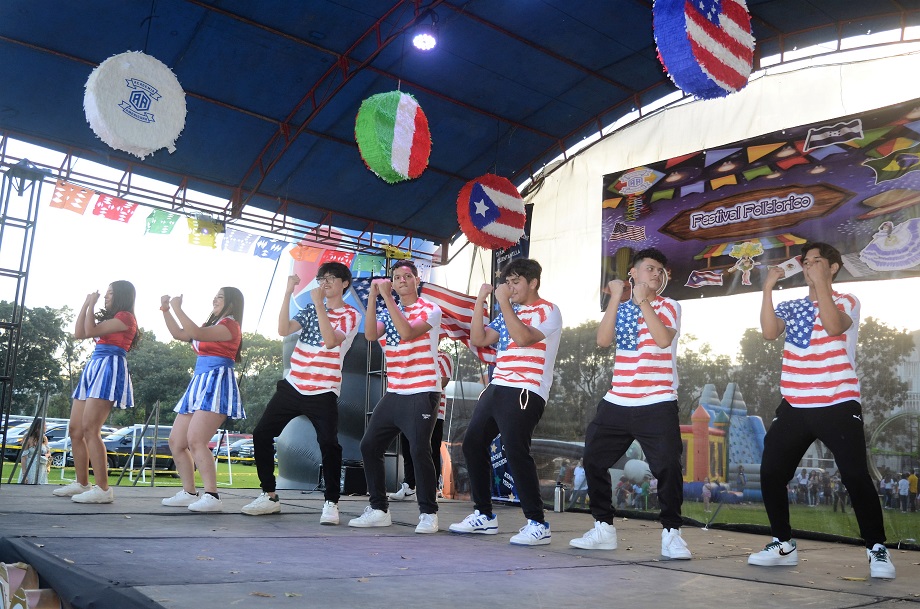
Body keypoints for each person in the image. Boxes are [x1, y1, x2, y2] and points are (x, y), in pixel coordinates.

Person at [748, 242, 896, 579]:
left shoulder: (846, 301)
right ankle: (782, 543)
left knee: (855, 475)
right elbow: (770, 332)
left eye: (818, 261)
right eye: (807, 261)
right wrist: (769, 288)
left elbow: (833, 326)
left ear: (832, 267)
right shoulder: (793, 305)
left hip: (837, 401)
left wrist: (822, 287)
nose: (810, 265)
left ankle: (877, 549)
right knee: (771, 472)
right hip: (796, 404)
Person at [569, 248, 691, 560]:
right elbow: (603, 340)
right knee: (593, 459)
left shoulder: (669, 306)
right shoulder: (622, 308)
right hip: (618, 400)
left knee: (667, 466)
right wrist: (616, 297)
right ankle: (603, 528)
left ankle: (671, 534)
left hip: (657, 400)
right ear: (633, 273)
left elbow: (663, 339)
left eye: (660, 270)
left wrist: (643, 302)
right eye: (649, 268)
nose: (656, 274)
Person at [449, 258, 562, 546]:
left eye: (515, 282)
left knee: (515, 450)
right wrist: (481, 301)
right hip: (498, 386)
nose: (509, 288)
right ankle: (484, 516)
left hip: (526, 389)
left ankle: (537, 523)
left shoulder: (548, 311)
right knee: (473, 443)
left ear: (533, 282)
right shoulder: (509, 311)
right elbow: (478, 338)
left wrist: (504, 303)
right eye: (507, 282)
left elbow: (524, 337)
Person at [241, 265, 360, 524]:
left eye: (330, 278)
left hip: (323, 389)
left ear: (344, 284)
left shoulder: (350, 315)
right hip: (293, 385)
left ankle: (331, 502)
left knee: (328, 443)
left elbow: (330, 340)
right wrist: (286, 292)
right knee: (262, 433)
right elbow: (283, 329)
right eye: (321, 279)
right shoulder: (308, 310)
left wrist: (320, 306)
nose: (325, 283)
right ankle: (269, 496)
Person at [348, 260, 442, 534]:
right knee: (369, 446)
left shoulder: (430, 309)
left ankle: (428, 513)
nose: (401, 280)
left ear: (416, 281)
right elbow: (368, 334)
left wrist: (386, 297)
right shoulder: (389, 310)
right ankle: (378, 508)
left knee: (418, 449)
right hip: (396, 391)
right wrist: (374, 298)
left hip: (422, 390)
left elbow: (407, 332)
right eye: (396, 277)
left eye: (406, 276)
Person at [160, 288, 245, 513]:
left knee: (196, 440)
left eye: (220, 296)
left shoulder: (230, 325)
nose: (214, 299)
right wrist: (166, 309)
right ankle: (189, 492)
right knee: (176, 442)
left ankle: (212, 495)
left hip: (217, 382)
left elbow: (194, 332)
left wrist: (179, 307)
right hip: (199, 382)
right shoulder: (214, 325)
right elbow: (181, 334)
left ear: (231, 303)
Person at [53, 281, 138, 503]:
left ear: (120, 295)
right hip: (94, 366)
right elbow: (80, 333)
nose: (106, 296)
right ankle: (82, 484)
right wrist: (86, 303)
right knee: (75, 429)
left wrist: (92, 304)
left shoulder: (125, 317)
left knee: (91, 428)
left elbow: (90, 330)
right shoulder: (112, 319)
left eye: (110, 293)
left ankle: (103, 489)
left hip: (109, 367)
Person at [389, 350, 454, 502]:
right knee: (408, 448)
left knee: (430, 450)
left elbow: (444, 380)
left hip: (432, 410)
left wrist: (420, 381)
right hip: (409, 408)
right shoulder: (413, 354)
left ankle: (433, 489)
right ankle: (409, 486)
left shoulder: (443, 356)